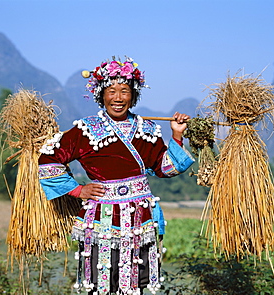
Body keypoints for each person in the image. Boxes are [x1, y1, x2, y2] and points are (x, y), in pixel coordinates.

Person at [38, 57, 194, 295]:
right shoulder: (85, 129)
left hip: (140, 219)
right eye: (112, 91)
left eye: (125, 91)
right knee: (102, 283)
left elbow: (167, 168)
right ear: (102, 95)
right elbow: (48, 160)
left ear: (134, 96)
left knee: (137, 284)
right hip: (103, 217)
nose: (118, 98)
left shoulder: (147, 130)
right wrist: (79, 190)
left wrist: (176, 135)